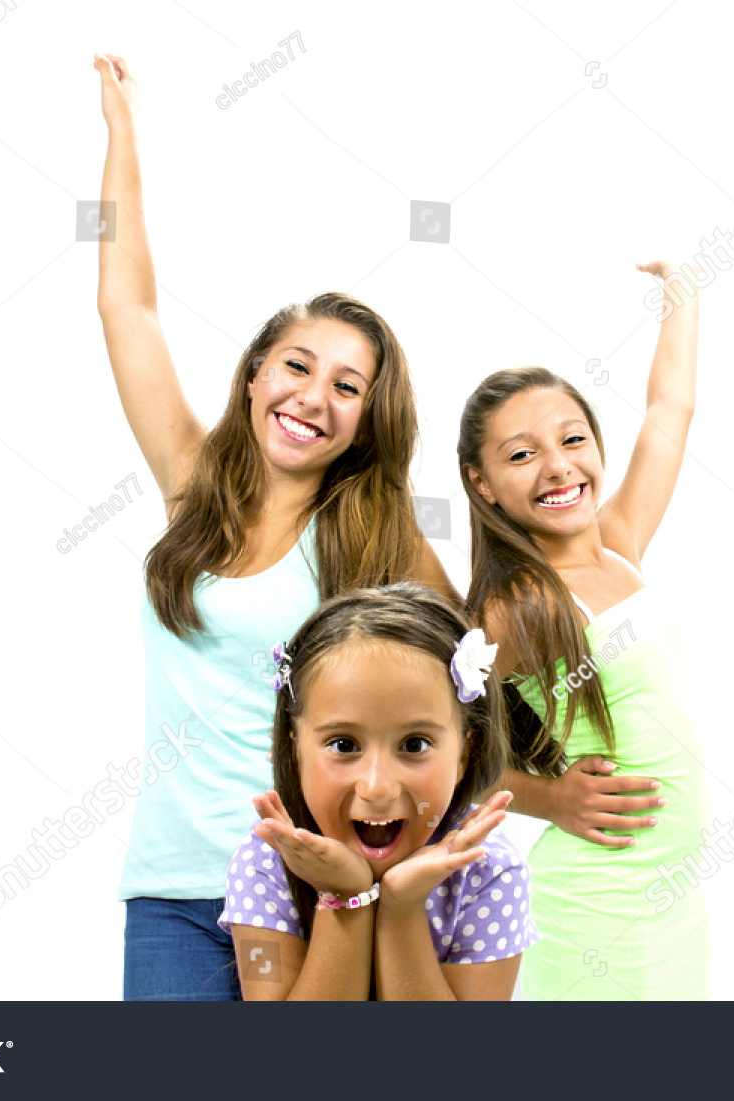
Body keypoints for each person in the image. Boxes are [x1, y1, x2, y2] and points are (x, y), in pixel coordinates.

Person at [92, 53, 457, 1001]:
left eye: (347, 386)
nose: (312, 397)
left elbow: (475, 684)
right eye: (296, 366)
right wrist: (122, 135)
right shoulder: (193, 484)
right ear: (255, 374)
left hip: (314, 883)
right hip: (173, 892)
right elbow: (126, 306)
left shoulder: (375, 540)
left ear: (368, 419)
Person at [458, 260, 708, 999]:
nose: (557, 466)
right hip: (602, 907)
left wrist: (683, 289)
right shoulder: (520, 605)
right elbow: (444, 755)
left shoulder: (620, 543)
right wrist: (550, 798)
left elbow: (671, 410)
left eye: (571, 439)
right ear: (483, 483)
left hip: (674, 903)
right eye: (521, 454)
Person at [218, 583, 539, 1000]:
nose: (376, 786)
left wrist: (402, 911)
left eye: (414, 745)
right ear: (294, 749)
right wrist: (345, 897)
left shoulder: (486, 869)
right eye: (344, 745)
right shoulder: (267, 862)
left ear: (466, 752)